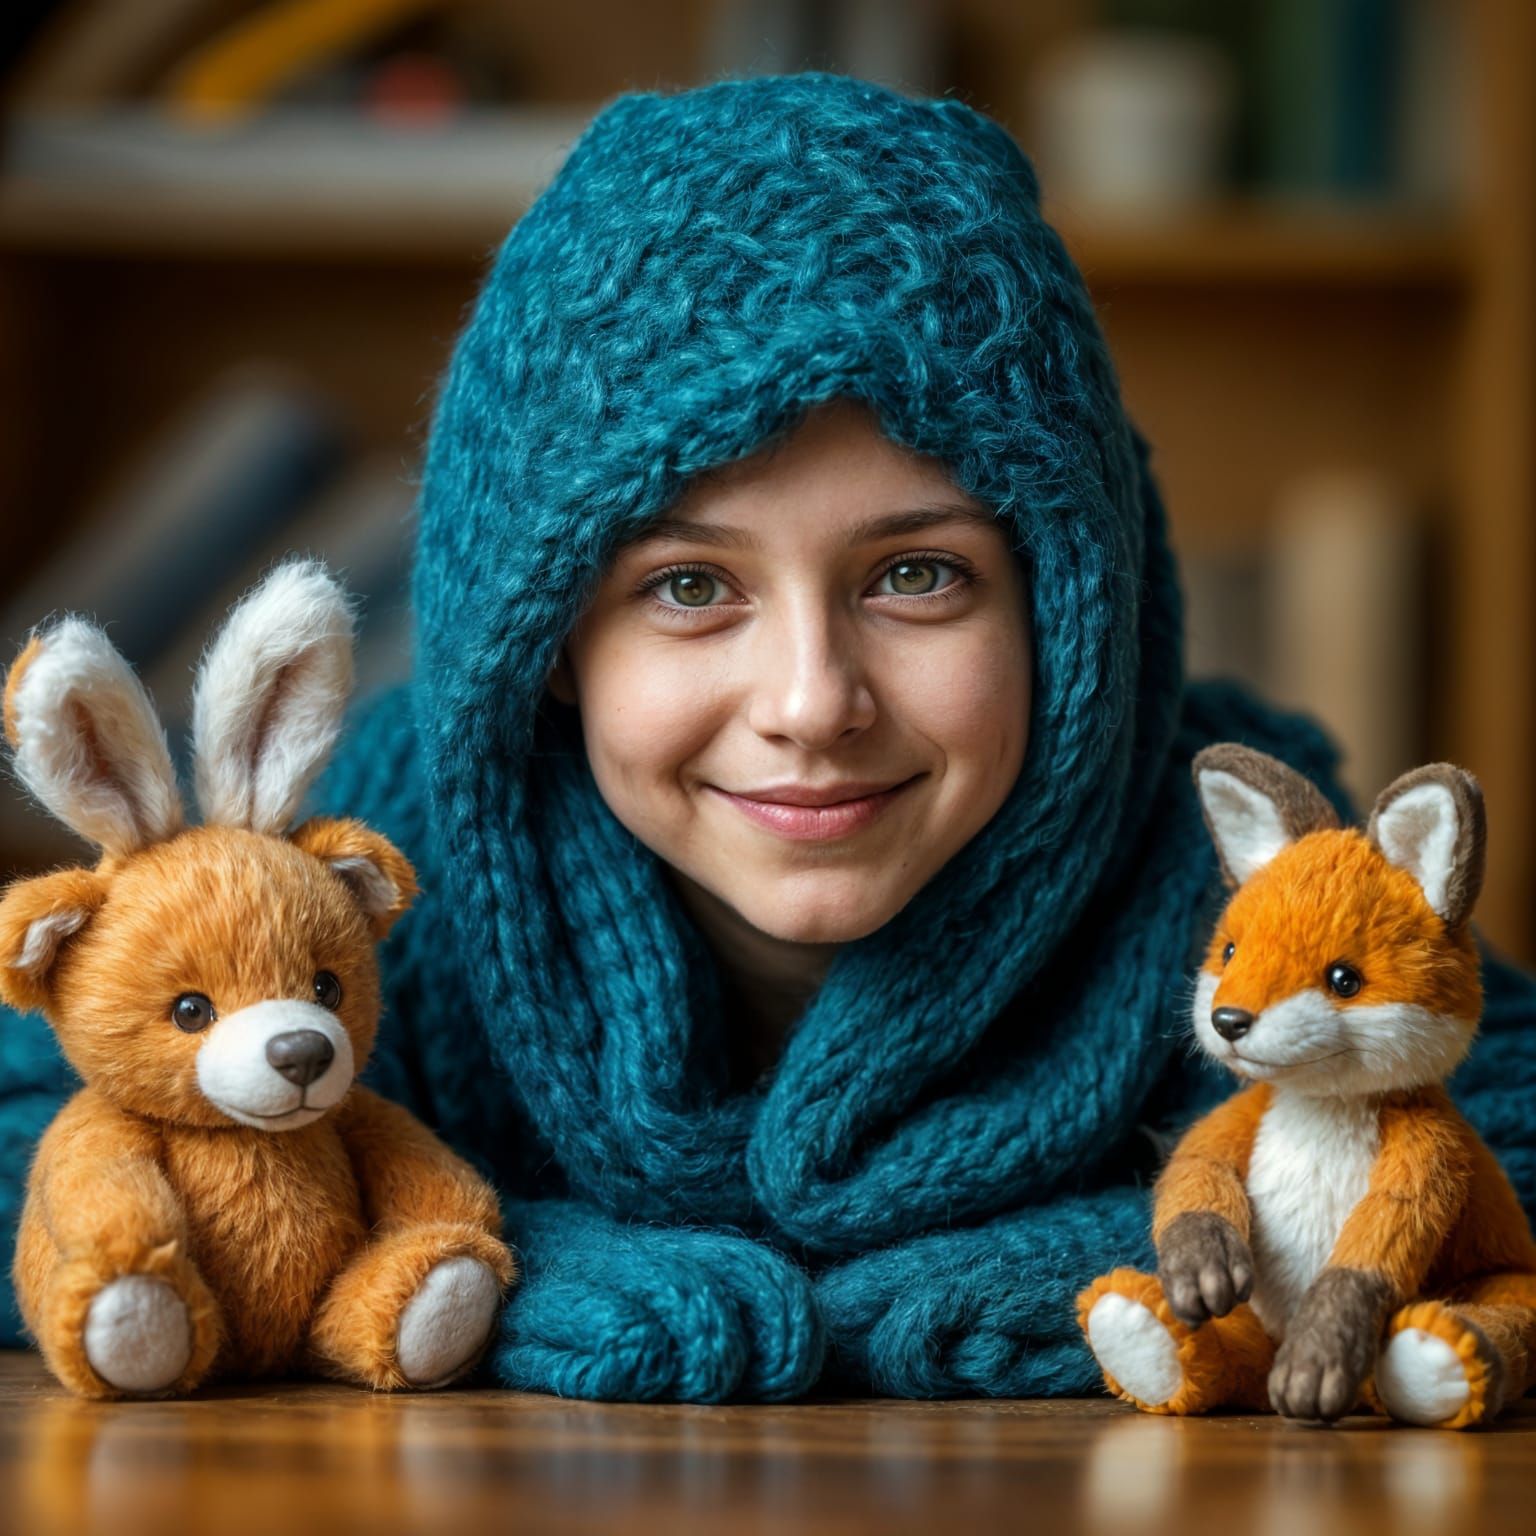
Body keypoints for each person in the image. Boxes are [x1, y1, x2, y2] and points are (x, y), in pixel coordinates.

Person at [2, 72, 1533, 1402]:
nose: (811, 700)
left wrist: (968, 1295)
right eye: (689, 587)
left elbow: (1500, 1145)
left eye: (918, 575)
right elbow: (44, 1132)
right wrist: (516, 1263)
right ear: (546, 644)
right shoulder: (354, 866)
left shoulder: (1241, 875)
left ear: (1071, 611)